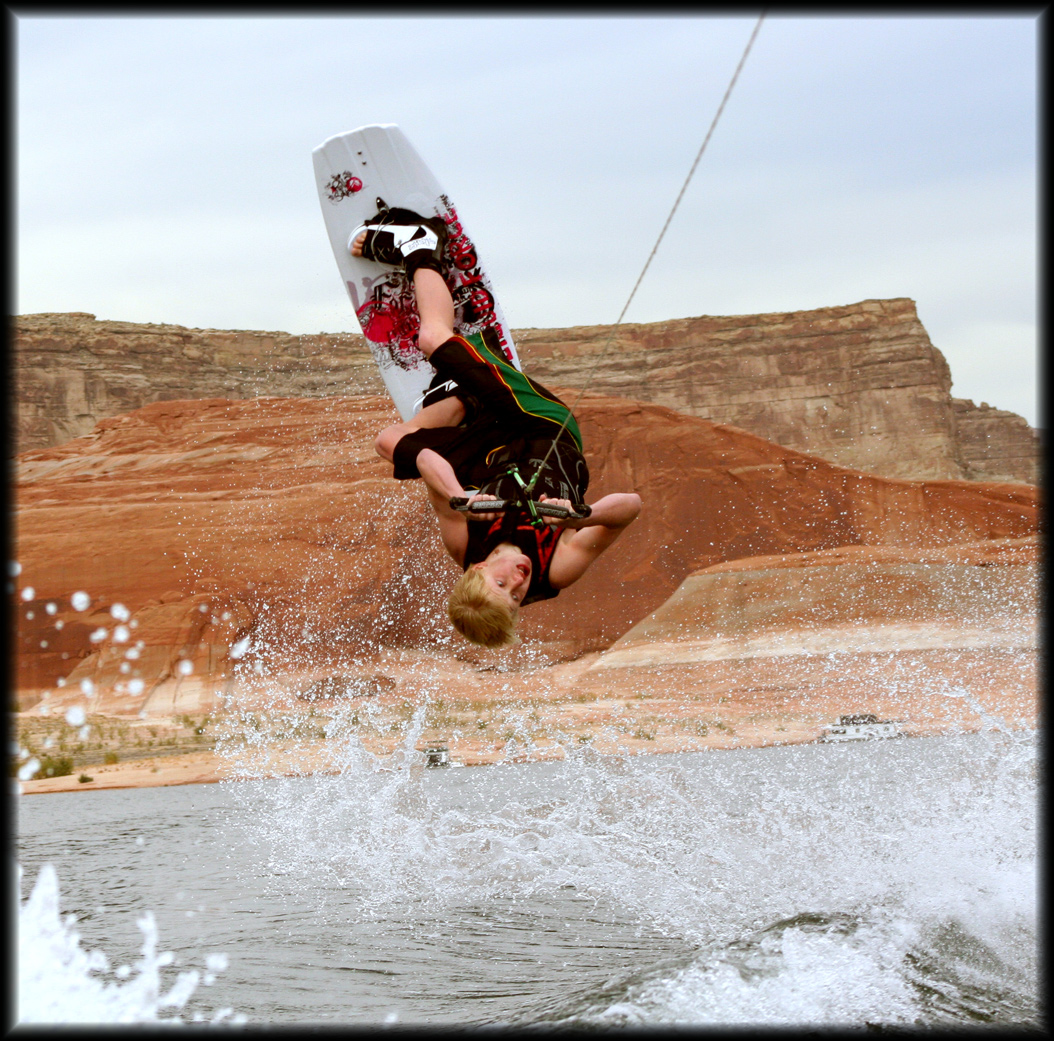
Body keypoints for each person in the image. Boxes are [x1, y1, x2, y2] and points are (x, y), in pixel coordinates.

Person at [351, 209, 642, 647]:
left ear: (478, 570)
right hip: (543, 426)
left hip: (489, 450)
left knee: (388, 441)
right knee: (432, 339)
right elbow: (631, 507)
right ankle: (420, 246)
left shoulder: (464, 544)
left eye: (502, 587)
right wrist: (583, 515)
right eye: (517, 600)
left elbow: (428, 460)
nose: (518, 585)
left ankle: (458, 395)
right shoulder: (553, 569)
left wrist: (461, 497)